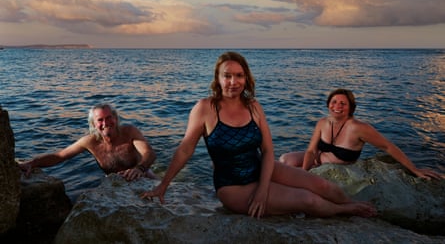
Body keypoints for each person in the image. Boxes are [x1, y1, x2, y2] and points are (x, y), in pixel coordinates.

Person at [140, 51, 377, 219]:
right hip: (233, 187)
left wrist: (263, 189)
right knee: (308, 200)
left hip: (262, 170)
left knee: (323, 186)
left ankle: (350, 204)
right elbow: (185, 150)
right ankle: (346, 211)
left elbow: (268, 150)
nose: (234, 82)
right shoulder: (205, 108)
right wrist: (163, 185)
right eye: (227, 75)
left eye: (239, 75)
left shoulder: (254, 106)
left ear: (246, 78)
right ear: (217, 79)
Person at [279, 88, 444, 180]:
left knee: (287, 173)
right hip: (318, 161)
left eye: (343, 103)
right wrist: (306, 172)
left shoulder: (359, 128)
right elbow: (311, 151)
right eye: (334, 101)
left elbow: (387, 146)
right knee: (285, 159)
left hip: (338, 170)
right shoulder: (322, 122)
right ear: (328, 104)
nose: (337, 106)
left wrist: (414, 169)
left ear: (351, 107)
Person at [19, 103, 157, 181]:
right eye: (100, 120)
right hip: (114, 182)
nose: (105, 123)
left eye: (109, 118)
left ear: (116, 118)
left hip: (142, 175)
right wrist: (32, 163)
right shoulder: (90, 141)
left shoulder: (130, 132)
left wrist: (140, 169)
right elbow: (60, 156)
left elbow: (149, 153)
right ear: (93, 124)